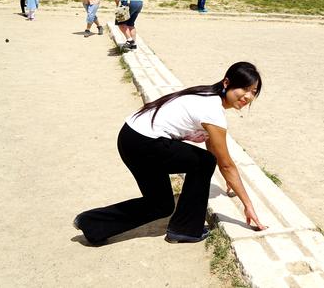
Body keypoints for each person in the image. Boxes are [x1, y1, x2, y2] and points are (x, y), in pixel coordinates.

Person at [73, 62, 267, 245]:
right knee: (205, 162)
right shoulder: (212, 111)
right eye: (244, 88)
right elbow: (224, 163)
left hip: (130, 137)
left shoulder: (206, 94)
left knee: (161, 205)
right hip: (144, 143)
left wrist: (229, 179)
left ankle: (92, 223)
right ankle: (187, 229)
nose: (248, 96)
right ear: (227, 82)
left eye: (253, 92)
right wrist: (247, 205)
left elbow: (216, 152)